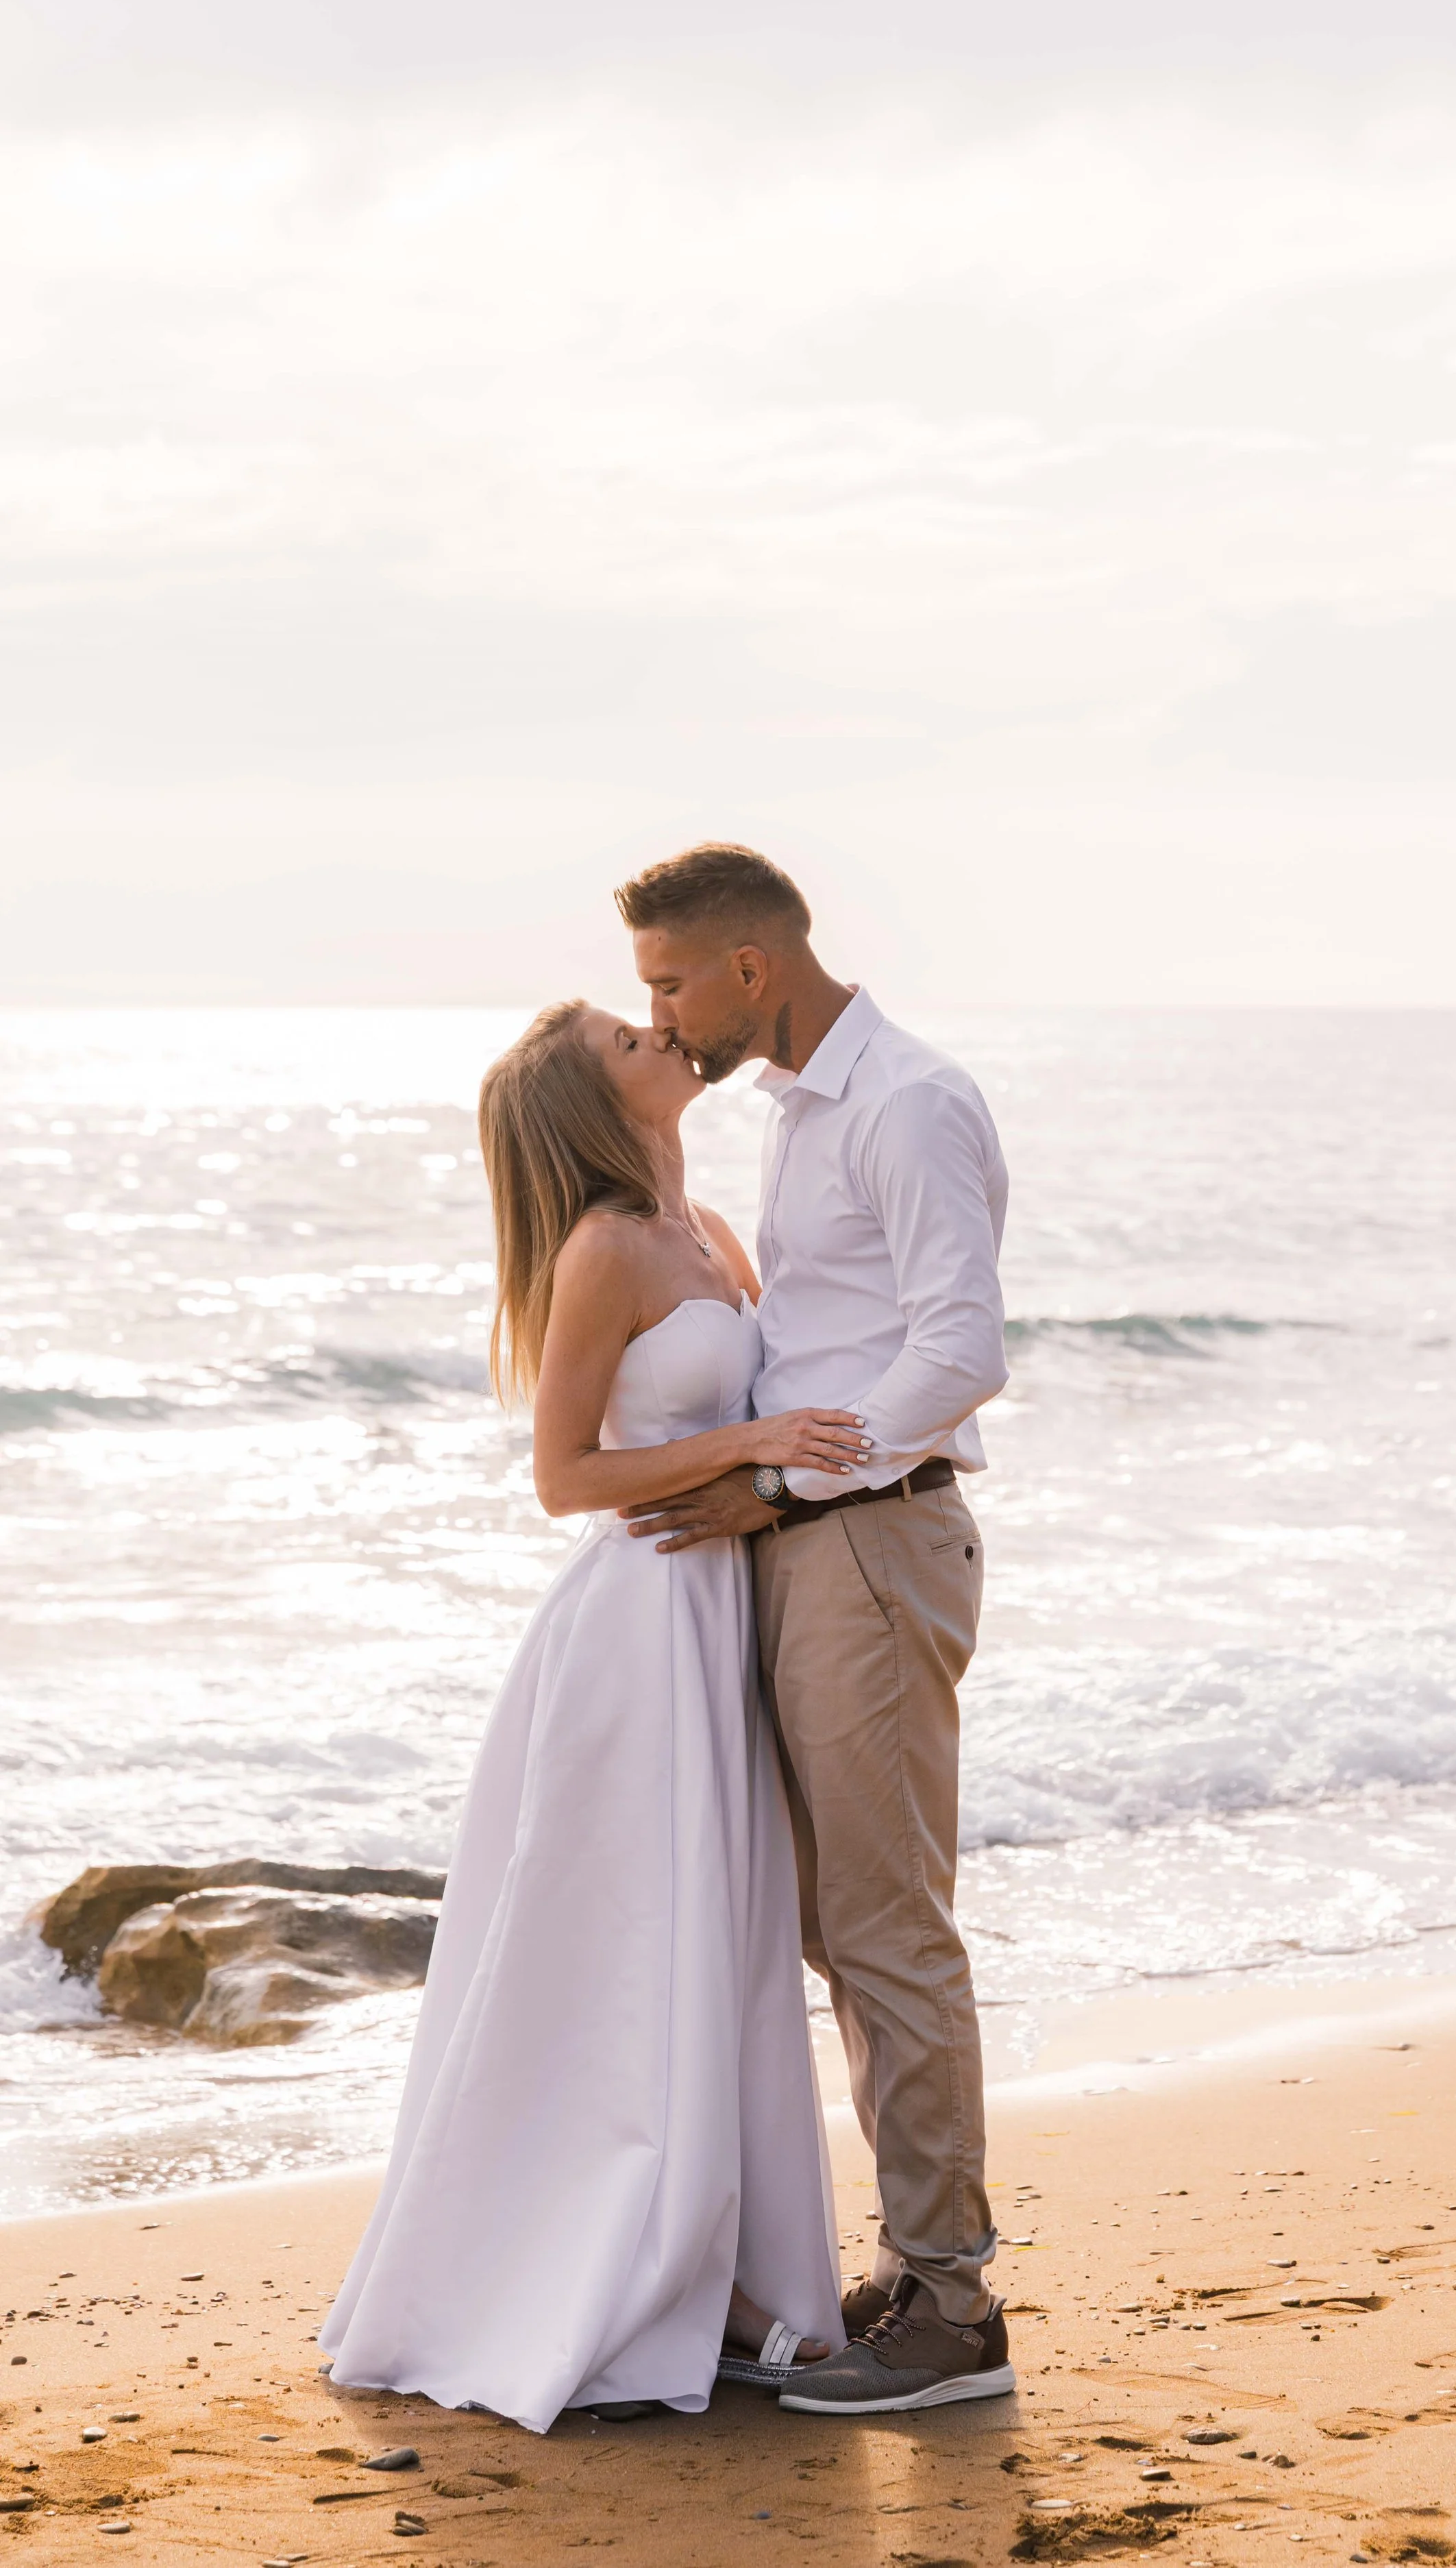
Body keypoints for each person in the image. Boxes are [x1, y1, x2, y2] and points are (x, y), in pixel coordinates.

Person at [319, 999, 861, 2428]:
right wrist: (746, 1441)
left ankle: (732, 2273)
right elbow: (564, 1477)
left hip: (720, 1619)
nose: (666, 1036)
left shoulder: (712, 1238)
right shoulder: (605, 1250)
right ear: (594, 1102)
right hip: (634, 1635)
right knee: (634, 1951)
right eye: (633, 1039)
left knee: (725, 1947)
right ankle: (647, 2276)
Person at [616, 842, 1016, 2415]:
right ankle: (914, 2265)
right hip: (809, 1543)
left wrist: (778, 1491)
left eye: (667, 984)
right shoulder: (800, 1110)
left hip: (863, 1543)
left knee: (883, 1927)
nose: (659, 1014)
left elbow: (960, 1347)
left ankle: (953, 2310)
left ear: (749, 971)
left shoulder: (907, 1101)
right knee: (824, 1921)